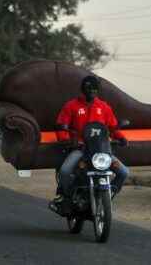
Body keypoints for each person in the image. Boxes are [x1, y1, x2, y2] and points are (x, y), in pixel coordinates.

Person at [52, 75, 129, 216]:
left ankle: (108, 194)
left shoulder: (104, 107)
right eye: (88, 89)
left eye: (94, 89)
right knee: (64, 171)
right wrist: (66, 140)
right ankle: (65, 198)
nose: (91, 92)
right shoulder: (71, 106)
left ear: (97, 90)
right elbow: (61, 127)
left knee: (124, 172)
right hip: (80, 148)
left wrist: (122, 138)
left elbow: (113, 128)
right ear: (82, 89)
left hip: (101, 151)